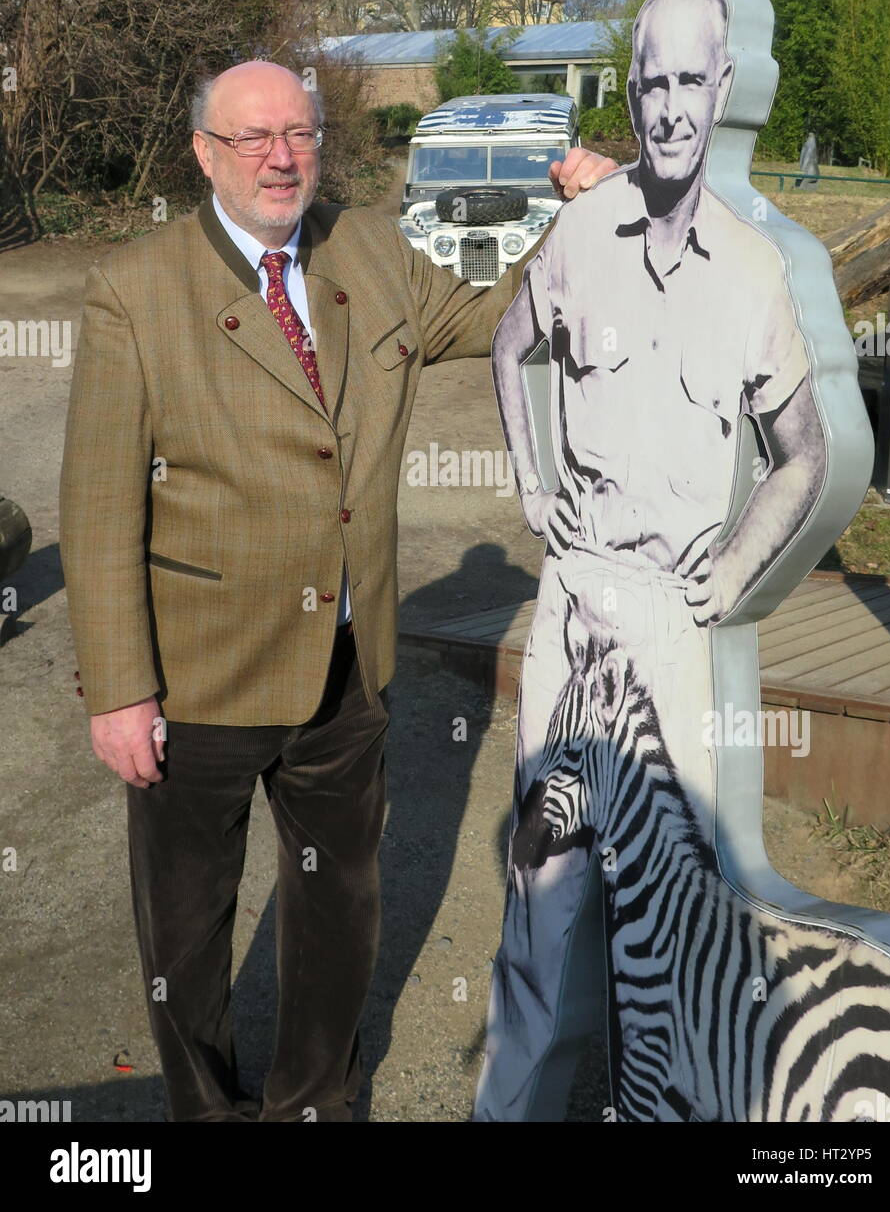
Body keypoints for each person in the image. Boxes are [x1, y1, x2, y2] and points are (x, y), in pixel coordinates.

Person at [57, 59, 615, 1123]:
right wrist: (119, 690)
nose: (281, 156)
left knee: (337, 910)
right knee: (185, 930)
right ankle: (205, 1111)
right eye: (253, 137)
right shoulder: (135, 288)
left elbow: (499, 317)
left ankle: (313, 1099)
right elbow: (94, 506)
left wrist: (581, 224)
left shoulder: (364, 244)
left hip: (348, 667)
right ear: (204, 153)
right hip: (197, 676)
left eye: (300, 133)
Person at [474, 0, 826, 1121]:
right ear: (629, 90)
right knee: (543, 900)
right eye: (653, 80)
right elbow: (506, 343)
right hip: (572, 618)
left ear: (721, 90)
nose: (672, 105)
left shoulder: (756, 271)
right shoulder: (579, 229)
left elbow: (803, 454)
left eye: (691, 80)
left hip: (674, 634)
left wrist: (730, 574)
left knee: (672, 930)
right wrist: (534, 483)